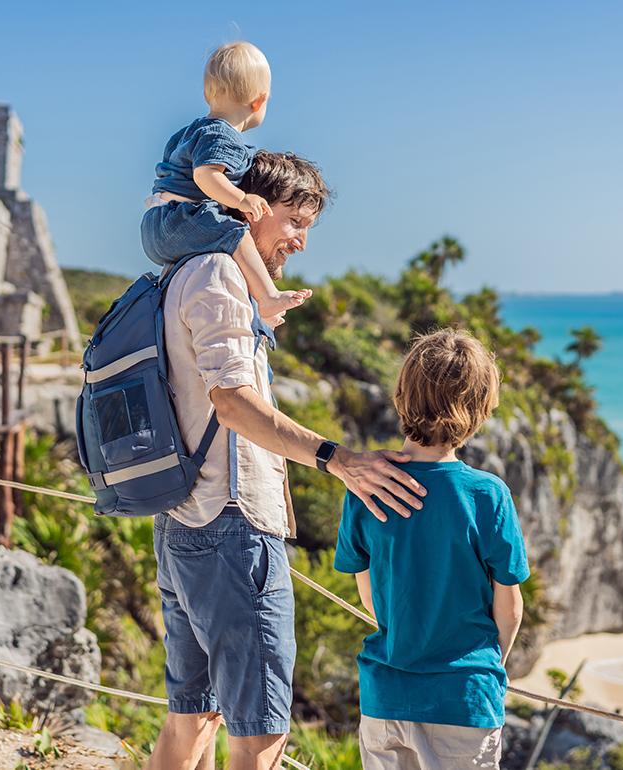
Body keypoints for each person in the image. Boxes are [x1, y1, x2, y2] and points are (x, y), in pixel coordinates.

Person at [145, 150, 428, 770]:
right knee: (260, 732)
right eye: (295, 222)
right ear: (251, 207)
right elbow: (234, 405)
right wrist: (337, 458)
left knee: (192, 714)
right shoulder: (218, 274)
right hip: (232, 527)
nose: (299, 242)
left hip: (185, 522)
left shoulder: (188, 271)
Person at [334, 328, 529, 770]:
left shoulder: (365, 487)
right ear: (479, 408)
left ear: (402, 395)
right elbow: (510, 610)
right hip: (463, 699)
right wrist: (484, 667)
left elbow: (372, 599)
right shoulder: (487, 495)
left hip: (386, 696)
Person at [141, 41, 312, 321]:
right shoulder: (223, 135)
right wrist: (241, 199)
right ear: (259, 101)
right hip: (179, 219)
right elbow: (205, 175)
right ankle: (267, 296)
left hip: (156, 221)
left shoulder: (190, 131)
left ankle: (259, 308)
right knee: (236, 234)